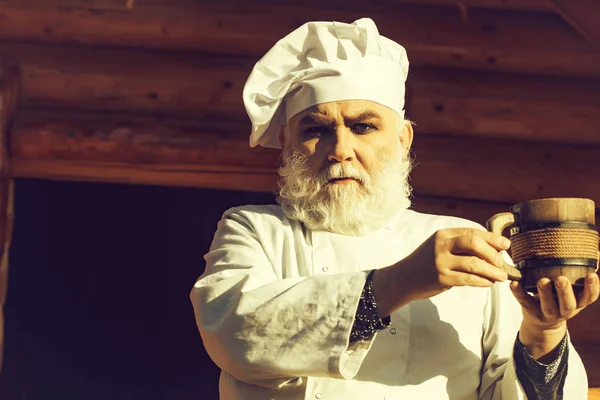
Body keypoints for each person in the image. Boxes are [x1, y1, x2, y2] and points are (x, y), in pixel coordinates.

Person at [190, 18, 598, 399]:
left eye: (363, 127)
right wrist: (400, 281)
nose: (341, 150)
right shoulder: (255, 229)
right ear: (287, 143)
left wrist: (544, 332)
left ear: (403, 139)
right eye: (316, 130)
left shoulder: (461, 240)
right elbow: (235, 334)